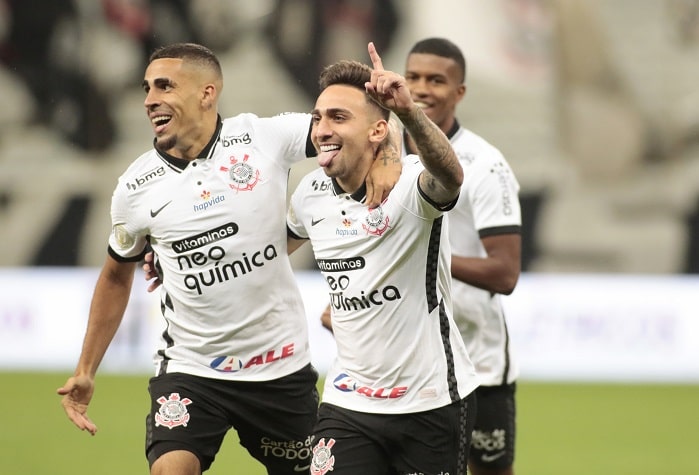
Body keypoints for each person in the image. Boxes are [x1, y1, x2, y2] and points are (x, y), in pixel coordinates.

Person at [56, 42, 398, 475]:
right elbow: (114, 277)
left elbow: (355, 130)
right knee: (170, 470)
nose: (149, 100)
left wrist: (389, 154)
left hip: (279, 368)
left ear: (207, 93)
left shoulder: (263, 137)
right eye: (146, 89)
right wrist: (86, 369)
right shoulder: (135, 187)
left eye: (165, 86)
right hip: (191, 369)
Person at [320, 37, 523, 475]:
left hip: (476, 356)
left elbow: (505, 273)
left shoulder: (485, 165)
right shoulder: (377, 153)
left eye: (437, 80)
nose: (422, 87)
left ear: (460, 92)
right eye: (413, 77)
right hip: (398, 369)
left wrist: (420, 262)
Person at [286, 42, 478, 475]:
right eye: (318, 118)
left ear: (376, 131)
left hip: (430, 400)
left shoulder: (410, 185)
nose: (321, 129)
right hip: (348, 401)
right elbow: (268, 249)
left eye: (338, 117)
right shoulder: (310, 194)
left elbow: (451, 176)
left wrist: (407, 115)